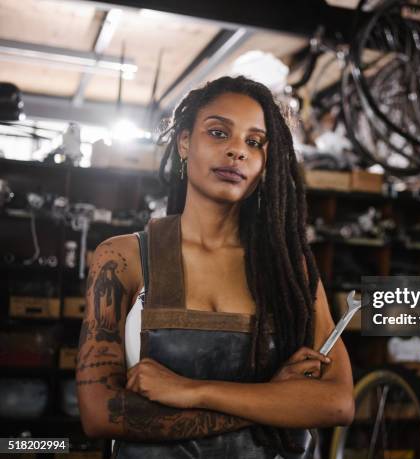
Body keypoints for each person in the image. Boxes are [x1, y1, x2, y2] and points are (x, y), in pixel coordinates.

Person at [76, 75, 355, 459]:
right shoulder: (122, 260)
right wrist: (275, 402)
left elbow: (337, 403)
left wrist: (192, 390)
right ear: (185, 142)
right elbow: (99, 414)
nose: (237, 151)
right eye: (219, 133)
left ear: (265, 162)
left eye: (254, 142)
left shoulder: (289, 271)